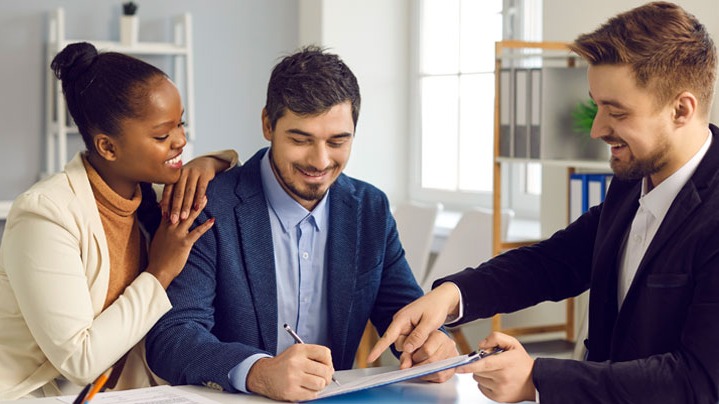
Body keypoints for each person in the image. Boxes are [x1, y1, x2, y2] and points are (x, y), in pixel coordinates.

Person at [368, 2, 719, 403]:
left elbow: (699, 382)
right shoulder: (632, 181)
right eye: (597, 104)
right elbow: (554, 262)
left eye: (616, 112)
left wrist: (538, 379)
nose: (596, 129)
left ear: (681, 109)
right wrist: (451, 297)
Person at [145, 46, 459, 402]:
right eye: (300, 139)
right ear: (267, 124)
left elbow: (403, 313)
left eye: (338, 141)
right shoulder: (208, 204)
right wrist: (258, 372)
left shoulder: (369, 209)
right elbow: (172, 336)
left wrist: (435, 344)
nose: (320, 161)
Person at [0, 42, 238, 400]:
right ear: (108, 147)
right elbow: (79, 360)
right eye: (162, 135)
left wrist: (212, 162)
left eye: (181, 123)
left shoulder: (150, 200)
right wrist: (160, 272)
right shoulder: (44, 216)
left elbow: (244, 176)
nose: (181, 141)